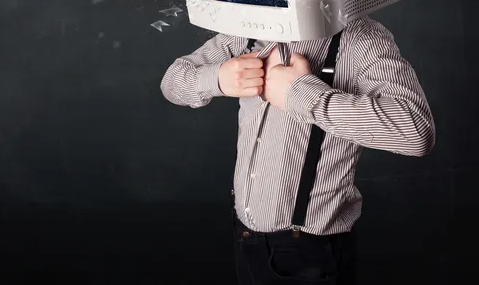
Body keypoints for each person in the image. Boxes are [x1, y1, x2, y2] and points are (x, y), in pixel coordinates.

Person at [160, 15, 435, 284]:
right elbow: (172, 82)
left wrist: (300, 94)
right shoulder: (250, 26)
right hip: (245, 238)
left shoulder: (360, 37)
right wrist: (217, 78)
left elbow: (415, 131)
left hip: (308, 253)